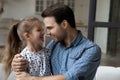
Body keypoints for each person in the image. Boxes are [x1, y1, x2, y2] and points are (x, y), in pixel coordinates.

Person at [12, 3, 101, 80]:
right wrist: (17, 63)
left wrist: (32, 79)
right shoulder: (54, 45)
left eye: (50, 28)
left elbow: (70, 77)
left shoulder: (91, 50)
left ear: (64, 24)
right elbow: (38, 58)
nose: (47, 33)